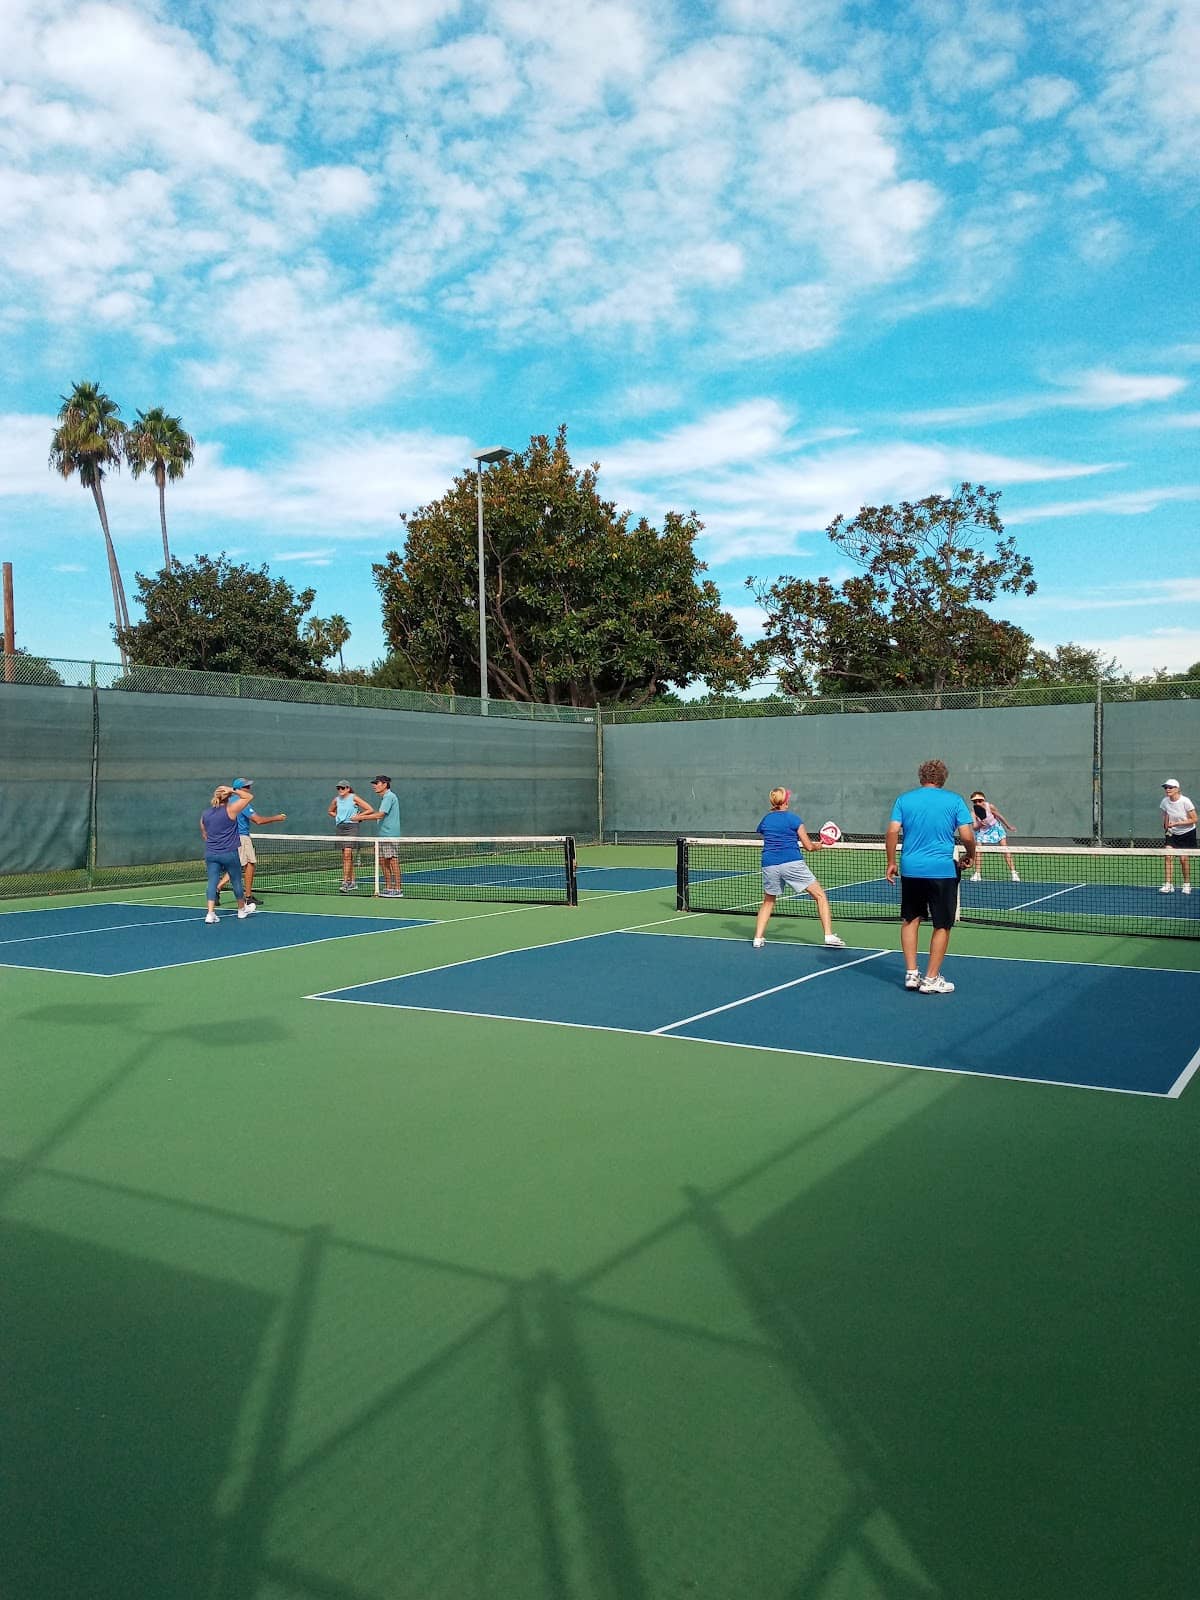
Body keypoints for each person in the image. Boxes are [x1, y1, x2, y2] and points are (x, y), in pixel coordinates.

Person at [885, 759, 976, 995]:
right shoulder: (954, 800)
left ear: (921, 777)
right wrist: (971, 854)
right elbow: (967, 835)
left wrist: (892, 862)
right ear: (943, 778)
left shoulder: (904, 800)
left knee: (910, 919)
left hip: (911, 869)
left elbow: (893, 831)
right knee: (942, 924)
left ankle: (911, 974)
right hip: (942, 871)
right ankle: (931, 979)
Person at [752, 786, 845, 949]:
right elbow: (808, 846)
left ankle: (757, 938)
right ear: (785, 801)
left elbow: (766, 833)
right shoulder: (794, 819)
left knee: (768, 901)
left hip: (769, 865)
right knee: (820, 896)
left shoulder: (766, 820)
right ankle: (829, 936)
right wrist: (819, 846)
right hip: (791, 863)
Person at [216, 777, 286, 906]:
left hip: (229, 837)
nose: (249, 789)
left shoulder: (227, 802)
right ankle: (223, 889)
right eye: (246, 787)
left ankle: (246, 895)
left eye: (249, 786)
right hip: (241, 837)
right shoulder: (242, 803)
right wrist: (277, 818)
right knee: (247, 865)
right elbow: (258, 820)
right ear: (239, 789)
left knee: (243, 865)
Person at [199, 784, 257, 923]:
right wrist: (231, 790)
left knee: (212, 881)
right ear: (229, 797)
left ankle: (210, 913)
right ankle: (241, 910)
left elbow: (204, 834)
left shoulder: (205, 814)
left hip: (211, 854)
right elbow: (249, 796)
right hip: (229, 853)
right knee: (236, 880)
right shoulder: (231, 809)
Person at [357, 774, 403, 897]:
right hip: (382, 835)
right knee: (383, 861)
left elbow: (380, 815)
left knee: (392, 860)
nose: (374, 786)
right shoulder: (385, 798)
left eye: (376, 783)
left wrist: (361, 817)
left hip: (390, 835)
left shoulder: (389, 797)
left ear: (384, 784)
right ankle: (388, 887)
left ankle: (398, 889)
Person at [328, 780, 372, 892]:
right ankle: (352, 882)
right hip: (340, 827)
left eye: (342, 788)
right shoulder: (336, 800)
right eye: (338, 788)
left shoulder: (354, 797)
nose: (340, 790)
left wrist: (358, 816)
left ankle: (345, 882)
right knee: (346, 856)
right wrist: (338, 816)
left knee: (347, 854)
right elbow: (330, 811)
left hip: (352, 827)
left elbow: (369, 809)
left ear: (348, 788)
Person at [967, 791, 1019, 881]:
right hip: (982, 831)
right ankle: (977, 874)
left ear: (983, 800)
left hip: (995, 828)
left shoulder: (990, 806)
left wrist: (1008, 826)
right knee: (978, 851)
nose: (977, 803)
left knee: (1005, 849)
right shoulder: (973, 811)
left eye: (979, 800)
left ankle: (1014, 873)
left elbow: (999, 816)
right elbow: (975, 828)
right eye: (975, 801)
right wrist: (980, 824)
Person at [1159, 779, 1196, 894]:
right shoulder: (1165, 801)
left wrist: (1177, 823)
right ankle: (1168, 884)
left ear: (1177, 789)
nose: (1167, 789)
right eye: (1166, 787)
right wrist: (1166, 825)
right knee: (1168, 856)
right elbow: (1165, 814)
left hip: (1187, 832)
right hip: (1172, 833)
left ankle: (1186, 885)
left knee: (1183, 859)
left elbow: (1194, 819)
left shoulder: (1185, 801)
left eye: (1170, 787)